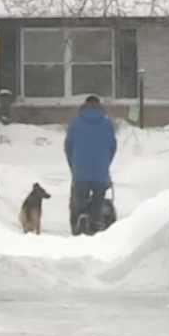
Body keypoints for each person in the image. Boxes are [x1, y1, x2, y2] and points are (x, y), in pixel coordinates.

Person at [63, 95, 117, 236]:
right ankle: (96, 221)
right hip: (100, 171)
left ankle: (81, 216)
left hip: (80, 170)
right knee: (98, 200)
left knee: (80, 197)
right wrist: (105, 164)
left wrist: (73, 166)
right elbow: (112, 146)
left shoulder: (75, 123)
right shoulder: (107, 124)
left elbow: (68, 146)